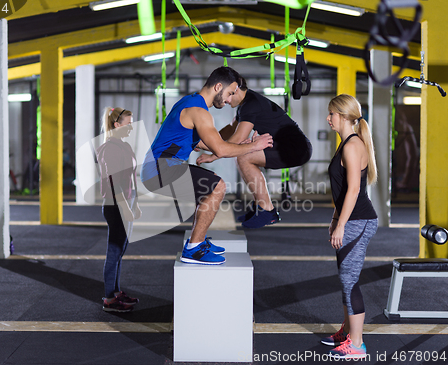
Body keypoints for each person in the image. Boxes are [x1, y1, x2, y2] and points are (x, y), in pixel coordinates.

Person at [141, 66, 273, 265]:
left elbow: (208, 142)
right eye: (229, 93)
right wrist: (255, 145)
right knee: (217, 186)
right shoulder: (199, 112)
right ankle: (193, 249)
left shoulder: (190, 102)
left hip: (158, 168)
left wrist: (239, 144)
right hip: (160, 169)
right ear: (218, 86)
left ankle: (198, 242)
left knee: (206, 189)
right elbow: (220, 149)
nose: (229, 100)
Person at [196, 76, 312, 228]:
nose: (226, 101)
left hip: (296, 148)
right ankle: (259, 206)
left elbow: (237, 139)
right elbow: (230, 129)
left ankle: (267, 211)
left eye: (228, 95)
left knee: (244, 158)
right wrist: (204, 141)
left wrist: (213, 155)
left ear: (235, 90)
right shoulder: (245, 105)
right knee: (242, 156)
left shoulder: (251, 104)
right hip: (286, 146)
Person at [321, 94, 378, 360]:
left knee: (349, 280)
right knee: (346, 278)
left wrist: (341, 225)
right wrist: (335, 220)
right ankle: (346, 333)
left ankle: (357, 345)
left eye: (331, 114)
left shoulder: (352, 146)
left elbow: (355, 189)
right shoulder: (346, 143)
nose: (328, 118)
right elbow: (343, 192)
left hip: (359, 220)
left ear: (342, 116)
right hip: (349, 219)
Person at [97, 107, 142, 312]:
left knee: (121, 250)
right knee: (114, 250)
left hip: (127, 202)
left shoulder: (124, 146)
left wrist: (137, 203)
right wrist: (126, 207)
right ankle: (109, 298)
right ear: (117, 125)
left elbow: (132, 177)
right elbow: (115, 183)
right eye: (129, 124)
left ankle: (115, 292)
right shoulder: (109, 148)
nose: (131, 127)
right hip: (115, 205)